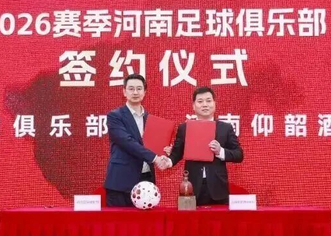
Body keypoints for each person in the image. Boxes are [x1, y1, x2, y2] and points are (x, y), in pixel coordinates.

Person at [165, 87, 243, 205]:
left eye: (208, 101)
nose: (205, 104)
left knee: (220, 217)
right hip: (192, 187)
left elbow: (239, 154)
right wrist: (168, 161)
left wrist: (220, 151)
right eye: (200, 101)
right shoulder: (184, 128)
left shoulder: (225, 128)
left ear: (214, 103)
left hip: (218, 188)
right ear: (193, 106)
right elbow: (176, 154)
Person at [104, 74, 168, 207]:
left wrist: (165, 151)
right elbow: (127, 142)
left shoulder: (150, 119)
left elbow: (152, 145)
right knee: (118, 220)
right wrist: (155, 158)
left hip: (146, 181)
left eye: (139, 89)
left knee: (145, 221)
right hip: (121, 181)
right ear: (124, 91)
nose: (135, 92)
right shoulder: (115, 116)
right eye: (131, 88)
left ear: (144, 92)